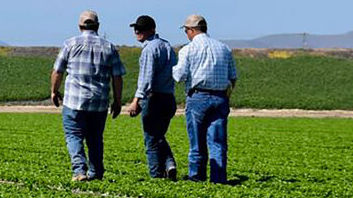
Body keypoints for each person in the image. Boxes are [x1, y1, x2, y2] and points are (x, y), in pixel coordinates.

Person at [50, 10, 126, 181]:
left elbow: (58, 71)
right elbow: (117, 76)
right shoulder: (109, 47)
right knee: (95, 138)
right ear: (98, 26)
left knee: (73, 134)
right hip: (99, 102)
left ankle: (79, 171)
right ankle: (96, 172)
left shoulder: (70, 44)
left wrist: (54, 91)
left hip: (74, 101)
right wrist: (118, 101)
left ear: (79, 26)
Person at [171, 14, 237, 183]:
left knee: (197, 142)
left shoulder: (188, 49)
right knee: (217, 142)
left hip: (198, 97)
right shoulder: (224, 48)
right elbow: (233, 77)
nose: (186, 34)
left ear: (191, 30)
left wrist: (173, 69)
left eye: (186, 30)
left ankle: (196, 177)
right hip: (220, 97)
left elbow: (179, 75)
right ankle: (218, 179)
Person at [124, 15, 178, 180]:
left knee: (152, 140)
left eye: (141, 29)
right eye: (136, 29)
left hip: (154, 99)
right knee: (158, 135)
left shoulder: (149, 49)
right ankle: (169, 165)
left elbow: (146, 79)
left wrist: (136, 101)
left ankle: (156, 176)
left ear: (151, 29)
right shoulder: (167, 46)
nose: (137, 32)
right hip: (168, 97)